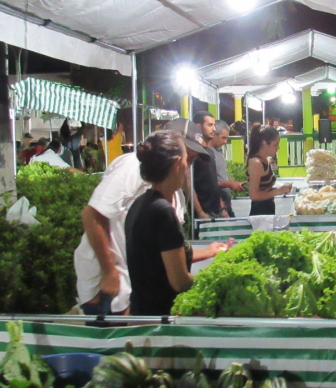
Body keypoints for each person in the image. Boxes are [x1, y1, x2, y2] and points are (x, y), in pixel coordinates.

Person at [74, 118, 207, 316]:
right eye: (189, 157)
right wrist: (109, 271)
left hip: (135, 289)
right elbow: (92, 215)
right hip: (112, 286)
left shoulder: (163, 195)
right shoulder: (131, 169)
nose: (188, 165)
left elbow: (168, 251)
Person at [125, 129, 232, 316]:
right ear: (177, 165)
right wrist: (219, 281)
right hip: (161, 319)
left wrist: (212, 250)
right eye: (186, 162)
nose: (187, 168)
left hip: (142, 311)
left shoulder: (141, 203)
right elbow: (180, 281)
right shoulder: (163, 212)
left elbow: (165, 257)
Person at [247, 125, 292, 216]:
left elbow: (265, 189)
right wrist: (278, 191)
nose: (278, 148)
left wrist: (282, 189)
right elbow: (254, 195)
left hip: (268, 208)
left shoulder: (266, 160)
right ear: (264, 144)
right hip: (260, 212)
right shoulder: (256, 163)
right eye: (275, 144)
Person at [207, 120, 245, 217]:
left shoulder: (219, 152)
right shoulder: (207, 154)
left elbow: (222, 174)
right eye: (223, 138)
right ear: (214, 135)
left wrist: (234, 183)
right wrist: (229, 184)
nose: (225, 141)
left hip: (226, 204)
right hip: (217, 206)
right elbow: (209, 183)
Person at [191, 111, 226, 218]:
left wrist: (222, 208)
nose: (214, 129)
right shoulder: (193, 152)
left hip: (216, 211)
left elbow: (213, 182)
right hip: (203, 213)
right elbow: (189, 185)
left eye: (214, 125)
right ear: (198, 126)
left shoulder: (210, 152)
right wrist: (200, 212)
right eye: (210, 125)